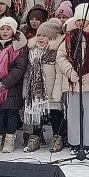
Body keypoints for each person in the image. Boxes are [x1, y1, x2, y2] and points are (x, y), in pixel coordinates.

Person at [56, 5, 89, 155]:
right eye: (78, 20)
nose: (81, 23)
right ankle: (75, 142)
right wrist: (69, 71)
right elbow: (61, 57)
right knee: (73, 113)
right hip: (72, 82)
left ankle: (88, 142)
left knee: (88, 113)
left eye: (84, 20)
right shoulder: (68, 38)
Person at [0, 16, 29, 153]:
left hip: (13, 87)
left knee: (12, 114)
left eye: (8, 29)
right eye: (2, 29)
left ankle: (9, 140)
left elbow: (19, 67)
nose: (5, 31)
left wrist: (6, 82)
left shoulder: (19, 47)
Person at [22, 19, 62, 153]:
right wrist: (25, 88)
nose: (40, 38)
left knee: (55, 114)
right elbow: (28, 71)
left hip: (51, 89)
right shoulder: (32, 51)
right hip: (35, 90)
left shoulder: (55, 51)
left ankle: (57, 137)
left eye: (44, 35)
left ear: (51, 37)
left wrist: (57, 91)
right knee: (37, 114)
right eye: (38, 35)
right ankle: (36, 136)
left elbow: (59, 73)